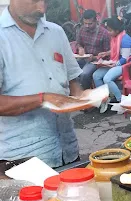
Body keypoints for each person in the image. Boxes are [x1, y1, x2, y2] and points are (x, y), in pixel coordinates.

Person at [0, 0, 91, 168]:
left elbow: (72, 80)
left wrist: (84, 97)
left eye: (46, 1)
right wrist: (43, 99)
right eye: (35, 0)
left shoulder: (56, 32)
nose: (42, 8)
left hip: (68, 150)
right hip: (22, 158)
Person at [93, 16, 131, 113]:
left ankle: (120, 100)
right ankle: (105, 98)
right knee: (96, 75)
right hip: (116, 62)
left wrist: (111, 65)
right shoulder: (115, 38)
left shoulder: (125, 40)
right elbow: (115, 51)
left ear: (117, 30)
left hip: (126, 65)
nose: (108, 32)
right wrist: (106, 54)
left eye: (110, 30)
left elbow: (124, 59)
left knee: (107, 78)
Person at [76, 9, 110, 89]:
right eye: (85, 23)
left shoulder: (104, 33)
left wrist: (95, 57)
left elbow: (107, 54)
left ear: (96, 21)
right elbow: (78, 43)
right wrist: (80, 48)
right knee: (70, 69)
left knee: (84, 74)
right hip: (84, 58)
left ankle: (86, 93)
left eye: (90, 24)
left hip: (96, 61)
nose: (87, 26)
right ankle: (75, 91)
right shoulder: (82, 30)